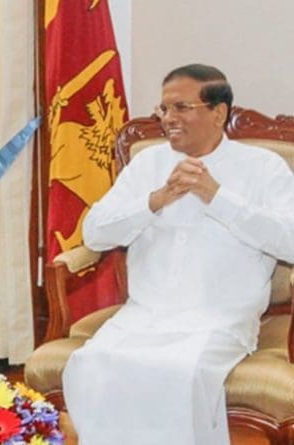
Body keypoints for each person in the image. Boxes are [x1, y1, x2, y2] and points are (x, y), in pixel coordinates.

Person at [62, 63, 294, 444]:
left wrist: (216, 196)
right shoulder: (146, 163)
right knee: (90, 366)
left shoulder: (264, 168)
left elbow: (289, 241)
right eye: (163, 109)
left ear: (218, 114)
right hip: (144, 314)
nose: (168, 119)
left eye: (181, 108)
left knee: (180, 373)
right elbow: (96, 233)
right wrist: (155, 201)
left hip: (219, 318)